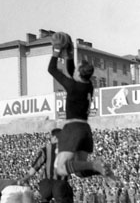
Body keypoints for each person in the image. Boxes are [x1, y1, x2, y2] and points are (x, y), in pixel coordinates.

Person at [47, 32, 116, 183]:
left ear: (79, 73)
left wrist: (57, 50)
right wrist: (69, 54)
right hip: (85, 130)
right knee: (79, 172)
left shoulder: (73, 86)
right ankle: (100, 169)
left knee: (60, 168)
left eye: (77, 68)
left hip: (73, 129)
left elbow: (52, 69)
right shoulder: (88, 85)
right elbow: (71, 71)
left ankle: (94, 165)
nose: (75, 69)